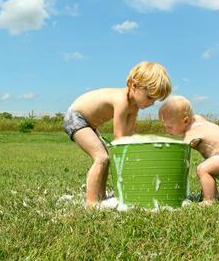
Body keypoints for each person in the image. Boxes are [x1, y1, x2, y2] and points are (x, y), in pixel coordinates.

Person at [64, 61, 172, 208]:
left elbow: (129, 134)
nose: (152, 103)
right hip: (76, 118)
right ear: (134, 86)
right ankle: (91, 203)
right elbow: (120, 136)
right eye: (149, 97)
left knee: (105, 158)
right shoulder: (121, 101)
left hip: (89, 124)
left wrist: (146, 143)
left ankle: (100, 196)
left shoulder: (134, 107)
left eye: (155, 99)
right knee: (101, 157)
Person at [158, 95, 219, 206]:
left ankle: (210, 200)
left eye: (169, 126)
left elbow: (179, 151)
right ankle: (214, 193)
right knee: (208, 170)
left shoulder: (192, 132)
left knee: (203, 169)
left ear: (185, 121)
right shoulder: (197, 119)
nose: (166, 130)